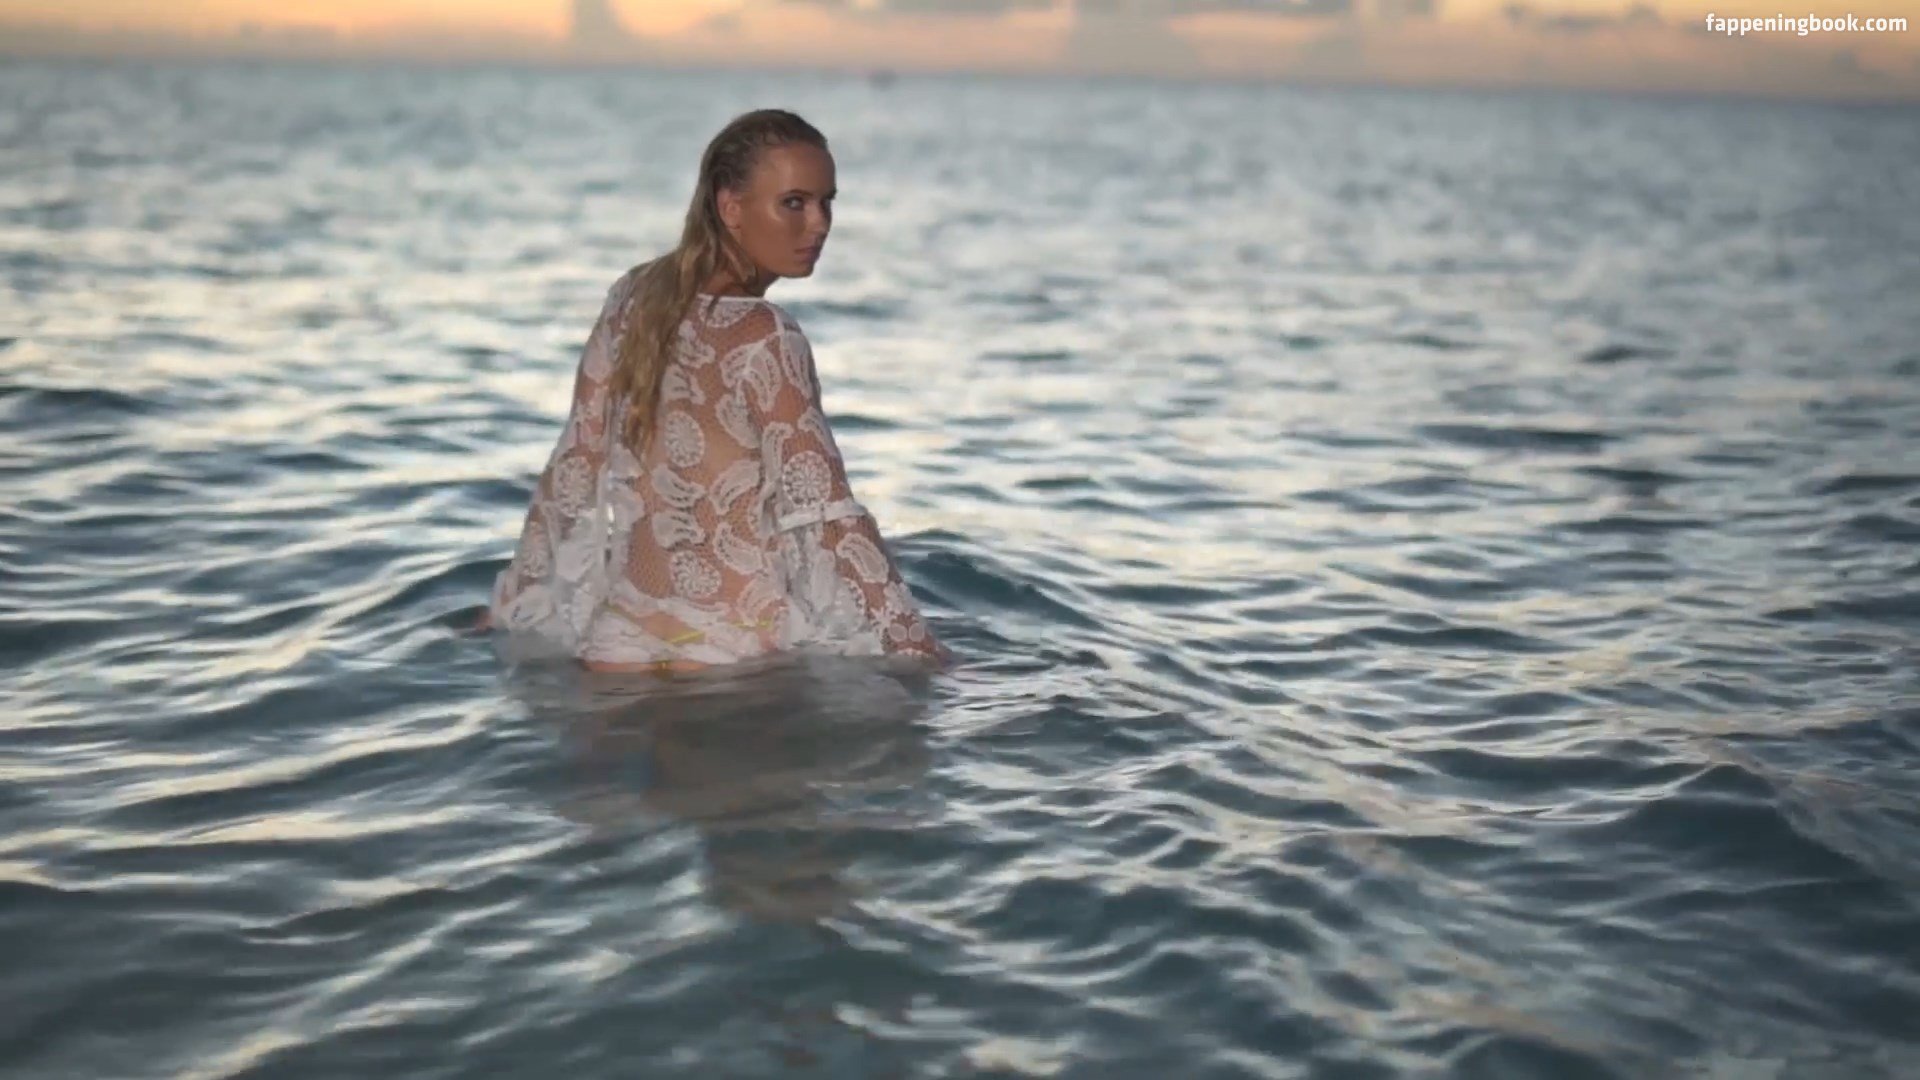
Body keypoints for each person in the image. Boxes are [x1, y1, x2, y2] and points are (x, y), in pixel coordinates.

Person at [483, 108, 949, 675]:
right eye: (794, 203)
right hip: (730, 651)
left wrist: (513, 602)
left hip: (617, 639)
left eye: (827, 202)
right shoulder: (767, 336)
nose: (819, 224)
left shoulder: (634, 294)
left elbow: (576, 459)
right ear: (730, 207)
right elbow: (828, 514)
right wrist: (922, 653)